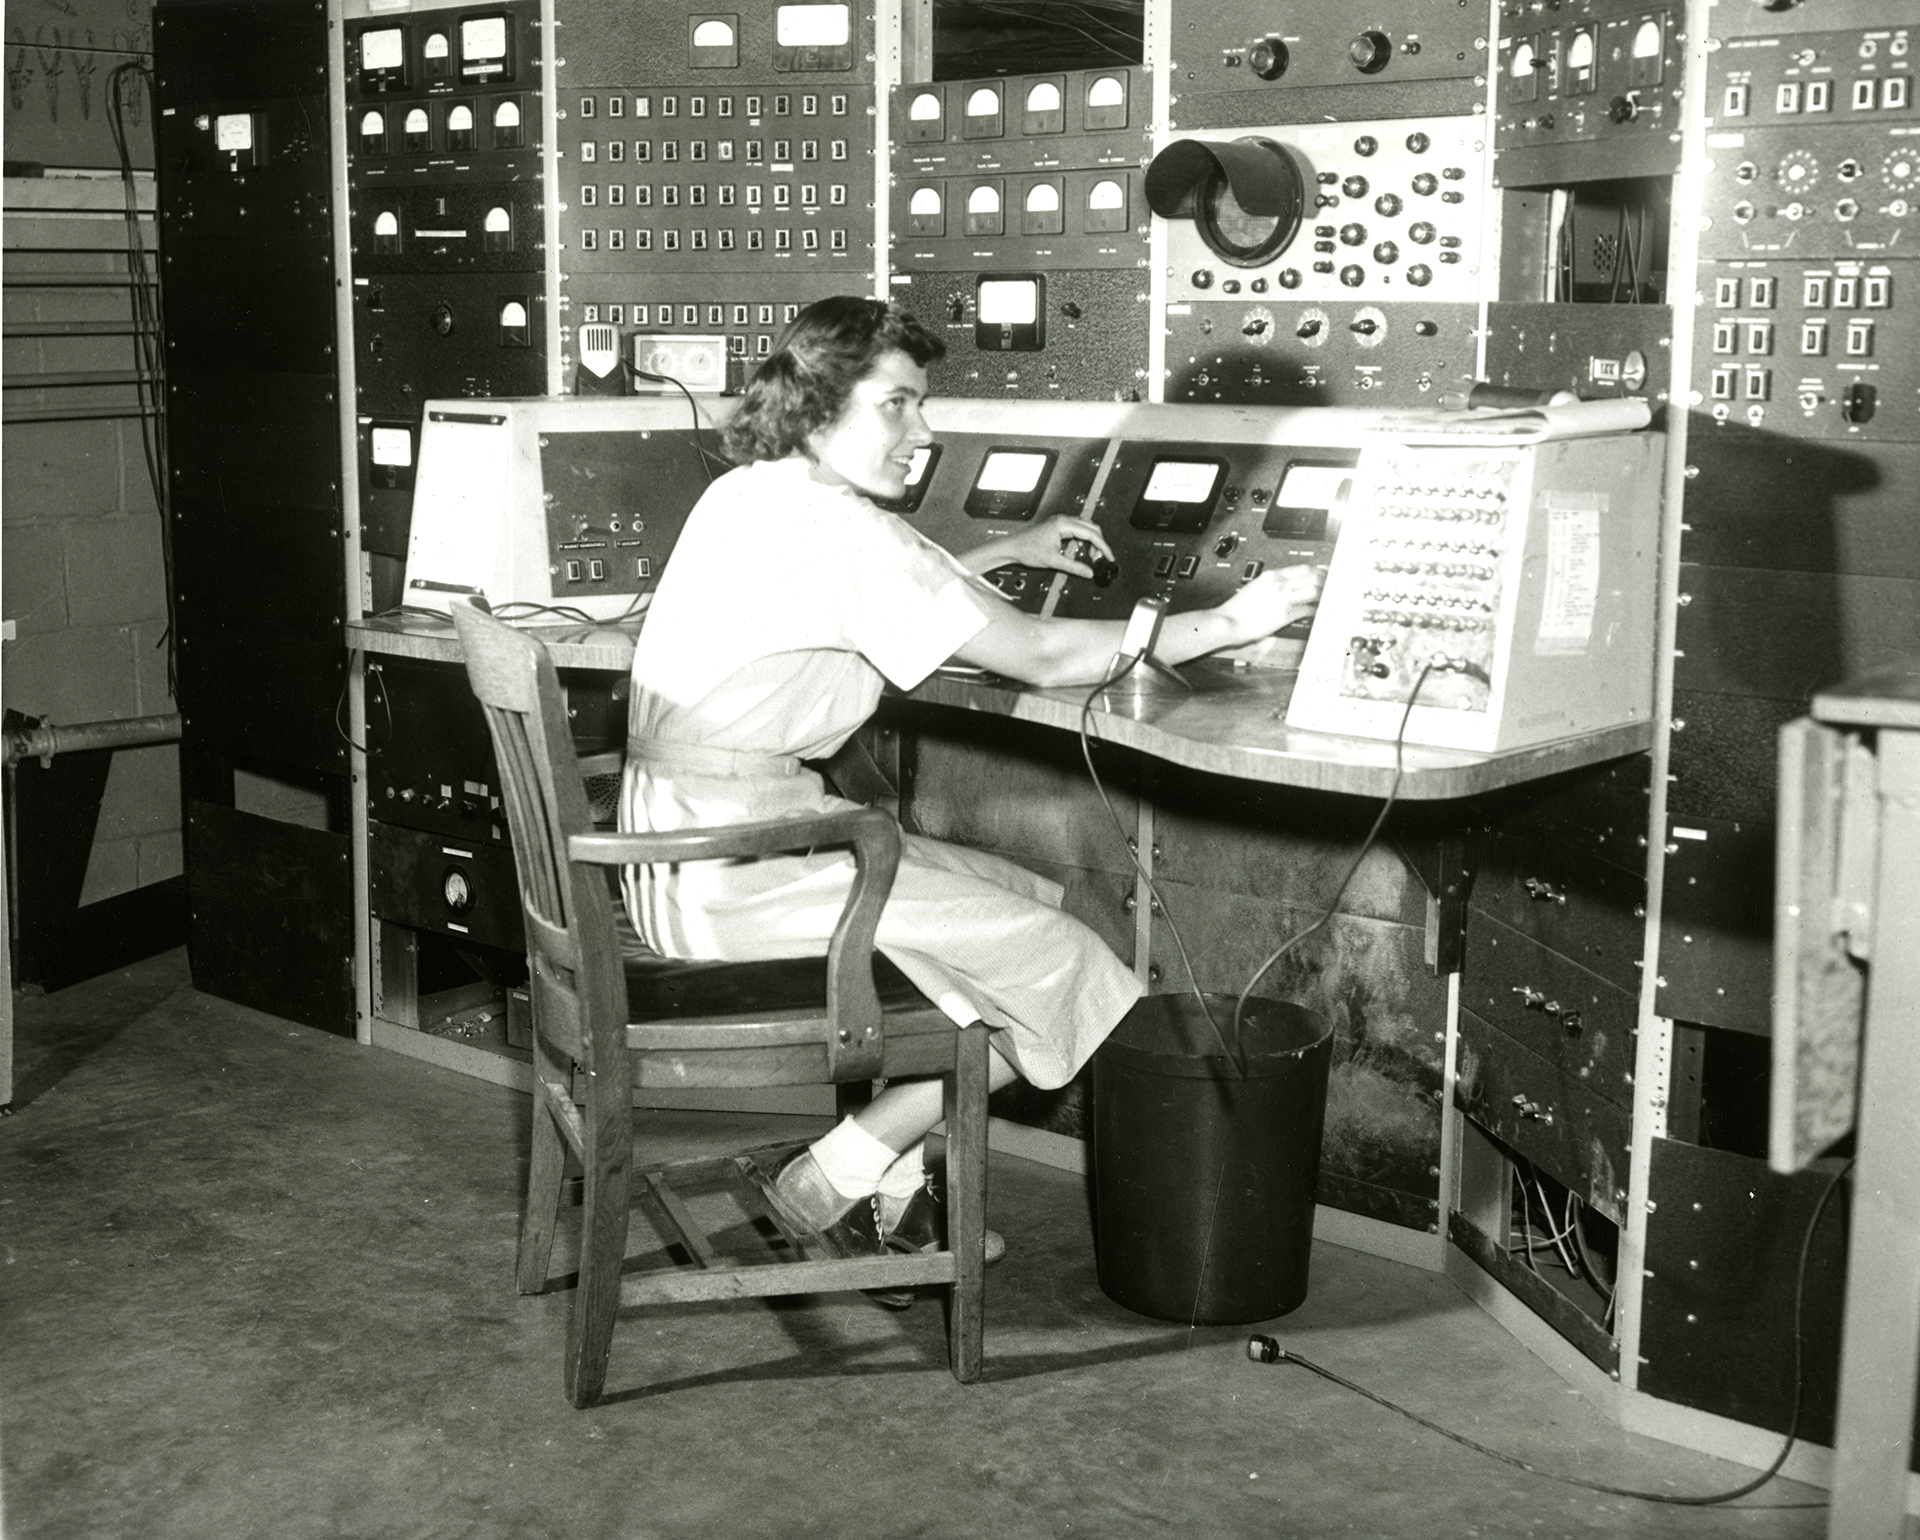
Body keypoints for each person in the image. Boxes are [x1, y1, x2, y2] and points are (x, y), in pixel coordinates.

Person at [618, 296, 1323, 1293]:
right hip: (738, 870)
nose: (926, 430)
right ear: (820, 406)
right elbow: (1037, 654)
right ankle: (839, 1172)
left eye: (924, 404)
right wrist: (1226, 622)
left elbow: (886, 584)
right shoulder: (835, 527)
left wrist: (1012, 550)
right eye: (898, 405)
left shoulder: (752, 491)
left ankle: (888, 1200)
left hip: (689, 848)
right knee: (1071, 966)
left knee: (1033, 906)